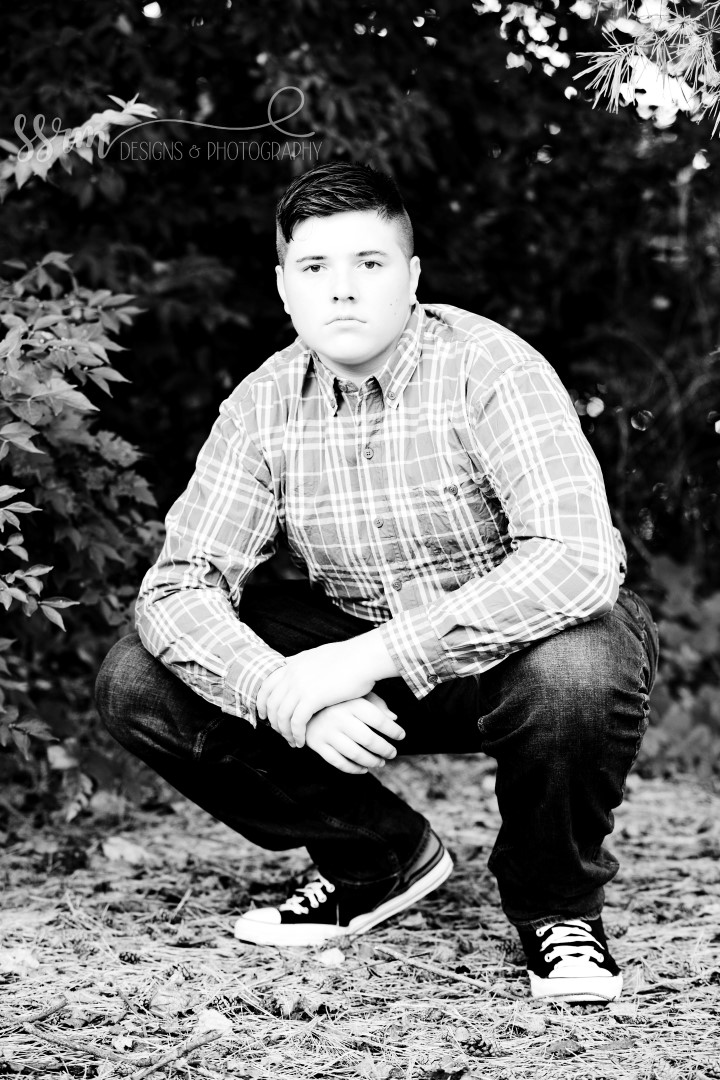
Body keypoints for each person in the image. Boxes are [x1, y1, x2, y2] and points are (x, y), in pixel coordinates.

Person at [95, 161, 659, 1004]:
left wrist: (361, 661)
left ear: (412, 276)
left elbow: (576, 560)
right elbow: (179, 588)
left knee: (579, 667)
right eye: (315, 267)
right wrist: (284, 690)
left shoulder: (491, 368)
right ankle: (378, 859)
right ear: (285, 288)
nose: (343, 289)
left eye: (370, 262)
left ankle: (558, 909)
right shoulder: (262, 406)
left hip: (517, 654)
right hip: (368, 661)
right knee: (137, 678)